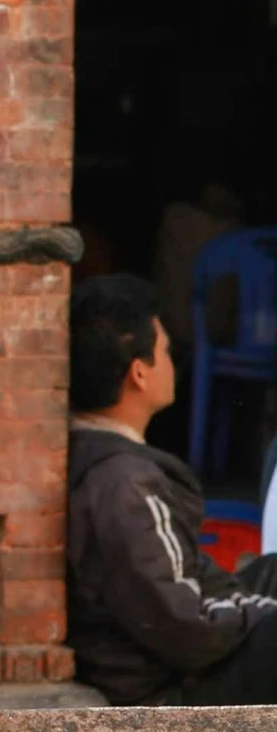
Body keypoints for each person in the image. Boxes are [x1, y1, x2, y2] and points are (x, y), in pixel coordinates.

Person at [67, 274, 277, 705]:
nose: (172, 362)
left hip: (183, 657)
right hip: (169, 691)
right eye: (165, 351)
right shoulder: (125, 485)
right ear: (139, 373)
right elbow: (187, 629)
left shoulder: (110, 465)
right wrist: (262, 613)